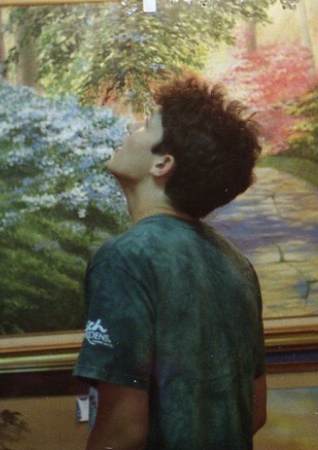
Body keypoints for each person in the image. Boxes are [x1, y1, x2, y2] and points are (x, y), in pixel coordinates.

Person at [73, 75, 267, 450]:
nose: (130, 127)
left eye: (146, 124)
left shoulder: (125, 258)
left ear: (162, 163)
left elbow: (123, 430)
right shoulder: (238, 265)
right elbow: (255, 412)